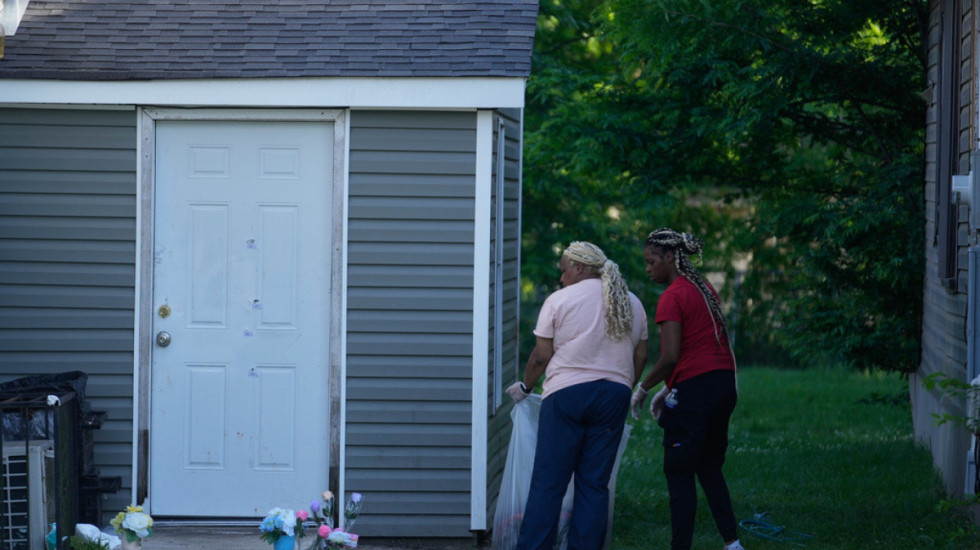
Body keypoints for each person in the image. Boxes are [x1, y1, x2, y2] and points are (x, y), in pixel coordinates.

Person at [506, 241, 648, 550]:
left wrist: (526, 387)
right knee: (594, 485)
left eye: (563, 271)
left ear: (578, 268)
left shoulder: (560, 300)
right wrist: (624, 386)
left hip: (567, 396)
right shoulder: (632, 303)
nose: (560, 278)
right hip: (614, 397)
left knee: (549, 482)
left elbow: (541, 356)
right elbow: (641, 355)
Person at [630, 228, 744, 550]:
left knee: (678, 470)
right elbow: (702, 347)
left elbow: (669, 357)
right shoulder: (704, 287)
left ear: (670, 257)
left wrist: (644, 388)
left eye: (652, 261)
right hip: (723, 385)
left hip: (698, 391)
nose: (648, 268)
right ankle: (732, 543)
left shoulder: (673, 296)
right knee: (709, 466)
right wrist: (670, 389)